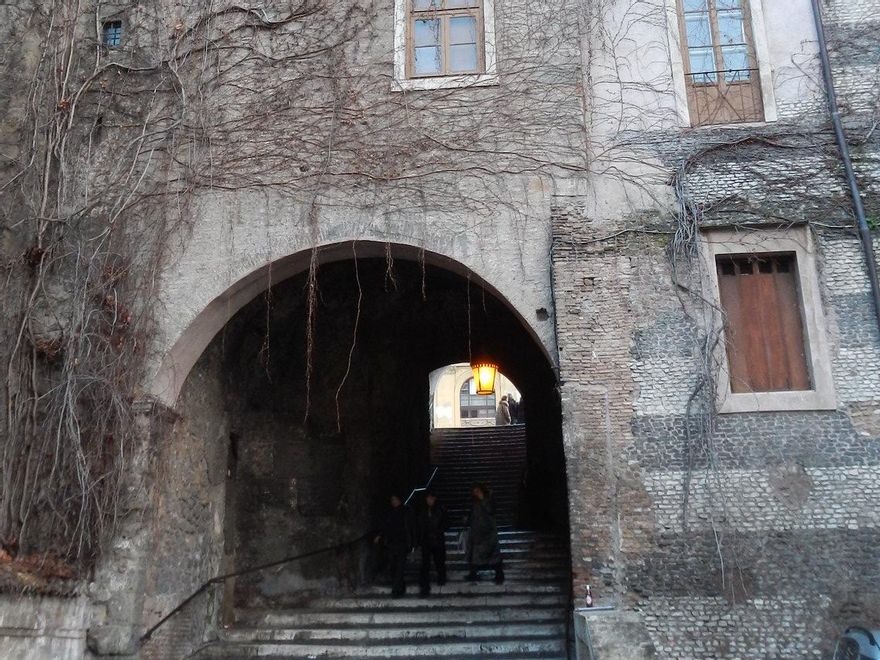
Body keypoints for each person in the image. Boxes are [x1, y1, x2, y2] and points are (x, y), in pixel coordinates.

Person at [465, 483, 504, 584]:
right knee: (474, 554)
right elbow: (473, 514)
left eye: (477, 491)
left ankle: (499, 575)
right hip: (477, 533)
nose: (475, 493)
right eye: (474, 491)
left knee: (493, 555)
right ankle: (473, 574)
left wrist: (483, 500)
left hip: (488, 533)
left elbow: (491, 510)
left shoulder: (488, 499)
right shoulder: (474, 502)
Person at [374, 494, 412, 597]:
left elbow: (410, 527)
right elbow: (385, 526)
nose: (394, 501)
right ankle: (400, 585)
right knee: (393, 567)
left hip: (402, 543)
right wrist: (380, 535)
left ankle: (396, 590)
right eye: (392, 499)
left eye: (395, 499)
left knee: (400, 567)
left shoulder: (406, 511)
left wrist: (412, 543)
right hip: (391, 543)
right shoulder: (389, 512)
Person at [417, 490, 449, 596]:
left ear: (435, 498)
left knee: (439, 561)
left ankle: (441, 577)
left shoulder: (441, 509)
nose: (429, 500)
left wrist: (439, 530)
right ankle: (425, 587)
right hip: (426, 540)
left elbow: (447, 523)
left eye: (431, 498)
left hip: (437, 539)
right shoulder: (423, 510)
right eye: (427, 498)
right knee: (425, 564)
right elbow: (420, 524)